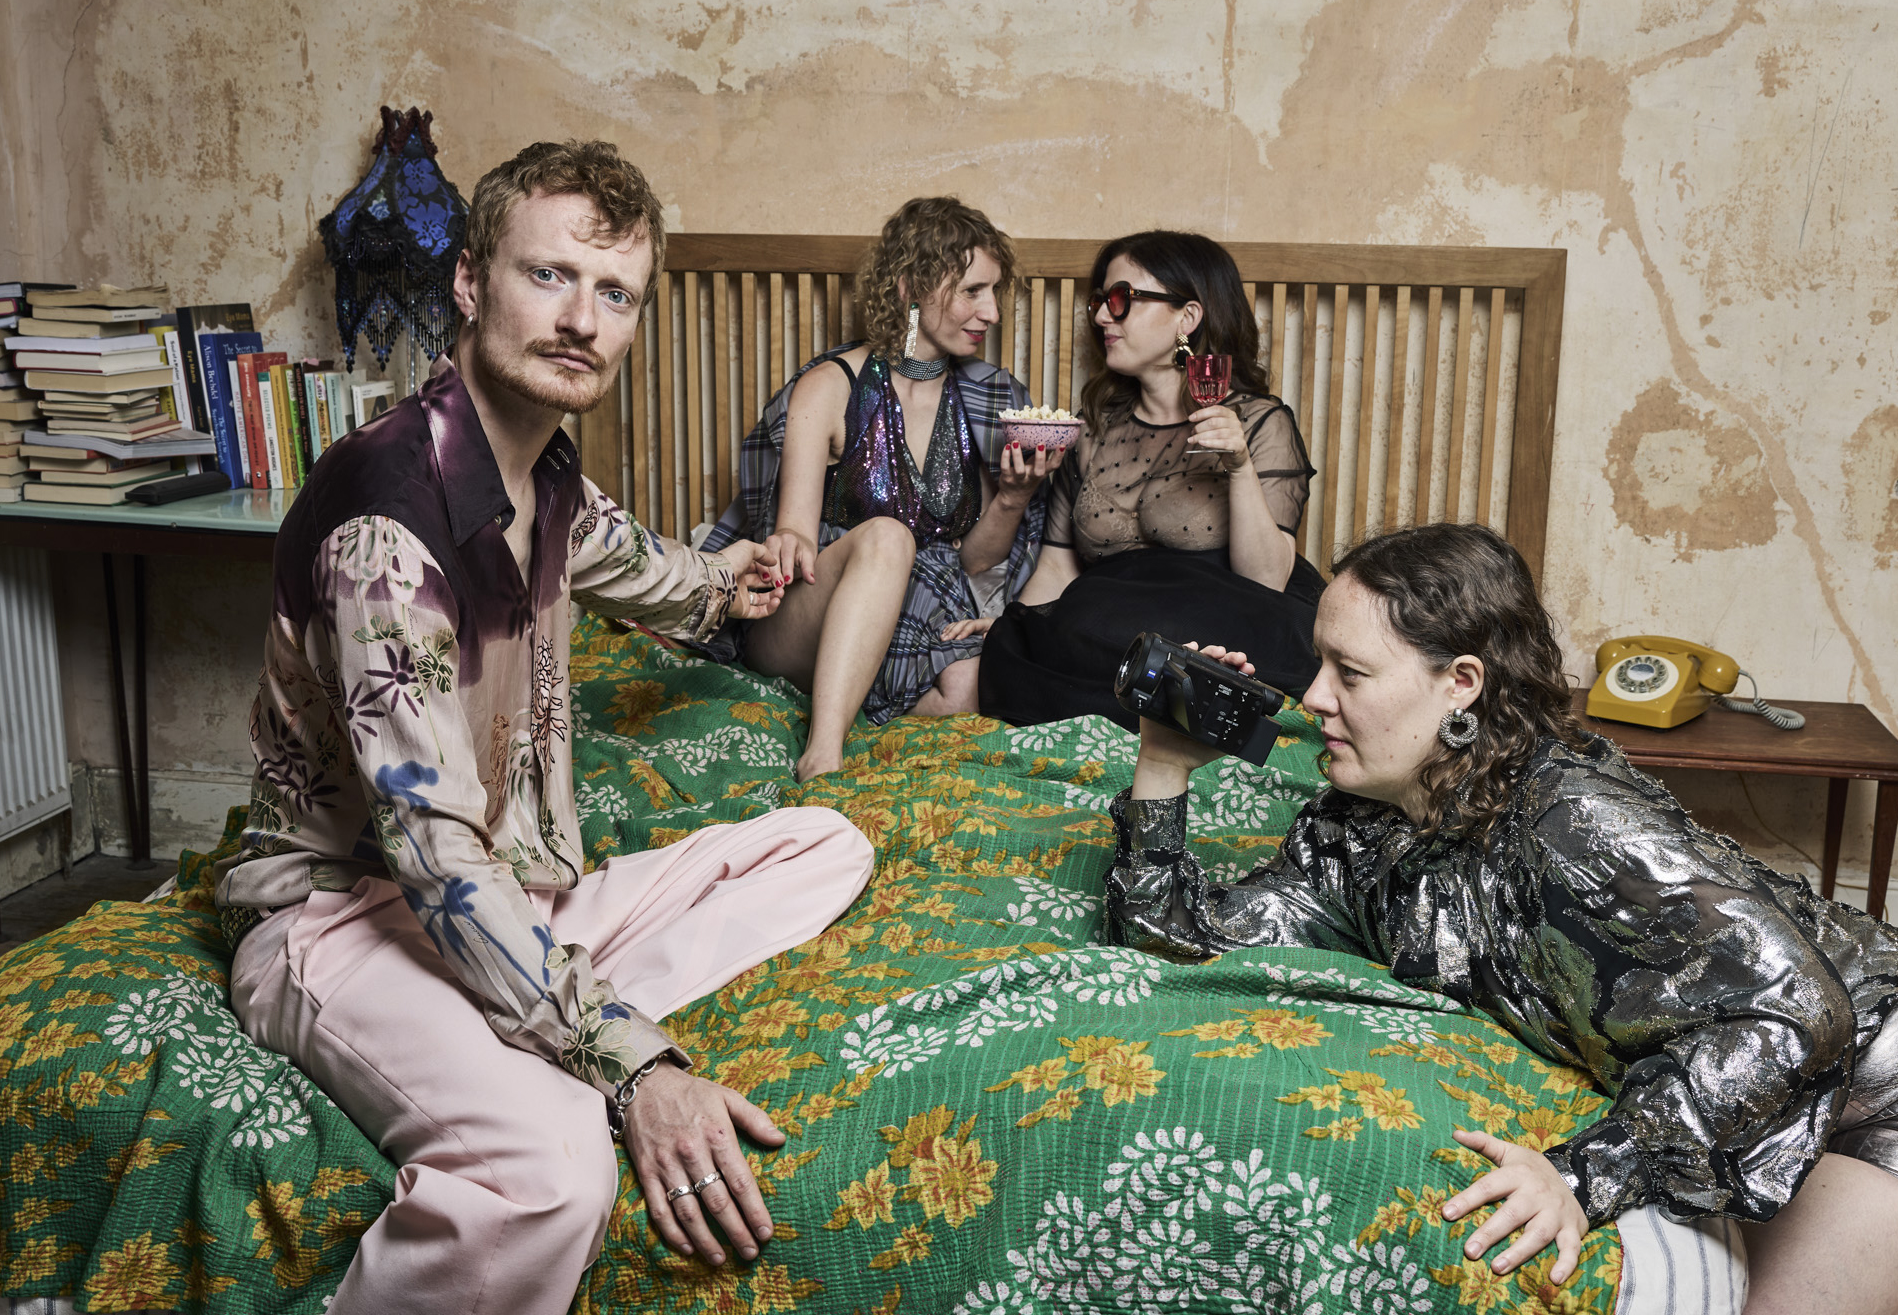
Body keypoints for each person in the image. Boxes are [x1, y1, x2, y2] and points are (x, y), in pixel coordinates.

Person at [217, 140, 877, 1315]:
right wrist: (634, 1067)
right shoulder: (389, 525)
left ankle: (529, 1007)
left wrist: (744, 578)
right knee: (556, 1171)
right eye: (549, 276)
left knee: (821, 843)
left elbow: (663, 576)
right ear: (471, 282)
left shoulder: (547, 481)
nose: (582, 319)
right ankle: (559, 1029)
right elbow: (431, 859)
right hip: (343, 918)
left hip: (509, 896)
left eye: (614, 293)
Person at [1102, 522, 1898, 1315]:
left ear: (1460, 683)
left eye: (1349, 672)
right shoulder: (1354, 830)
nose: (1312, 698)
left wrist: (1580, 1174)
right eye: (1318, 664)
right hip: (1743, 1087)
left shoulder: (1574, 820)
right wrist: (1164, 763)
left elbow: (1800, 1009)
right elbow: (1177, 938)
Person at [699, 196, 1058, 780]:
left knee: (970, 686)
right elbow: (793, 533)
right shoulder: (831, 387)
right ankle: (822, 755)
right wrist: (787, 541)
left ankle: (858, 690)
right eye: (973, 291)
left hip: (914, 613)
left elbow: (972, 562)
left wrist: (1014, 498)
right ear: (911, 287)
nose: (992, 312)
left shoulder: (988, 399)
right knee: (889, 536)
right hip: (802, 614)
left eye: (995, 292)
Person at [965, 230, 1323, 731]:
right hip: (1112, 632)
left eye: (1121, 299)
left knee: (1155, 652)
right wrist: (1020, 627)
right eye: (1099, 302)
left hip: (1221, 631)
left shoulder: (1260, 423)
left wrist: (1239, 466)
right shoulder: (1093, 431)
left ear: (1187, 317)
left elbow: (1266, 583)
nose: (1100, 317)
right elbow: (1057, 571)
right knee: (1008, 655)